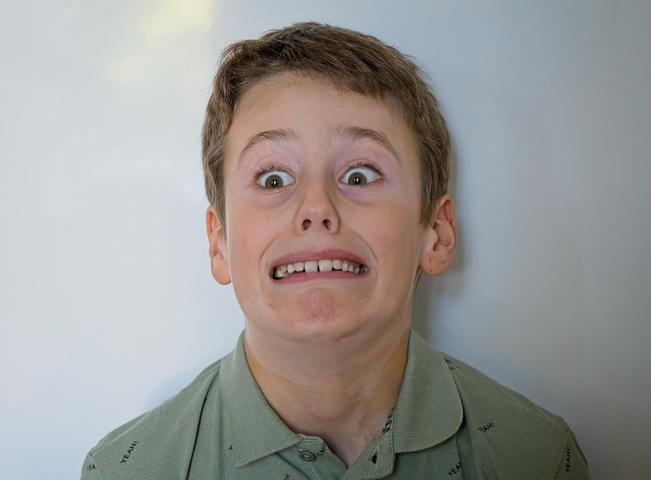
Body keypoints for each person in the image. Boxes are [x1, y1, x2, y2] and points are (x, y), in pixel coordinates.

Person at [81, 22, 589, 479]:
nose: (316, 207)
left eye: (359, 175)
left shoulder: (539, 460)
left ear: (435, 234)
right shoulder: (128, 471)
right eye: (273, 178)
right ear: (220, 243)